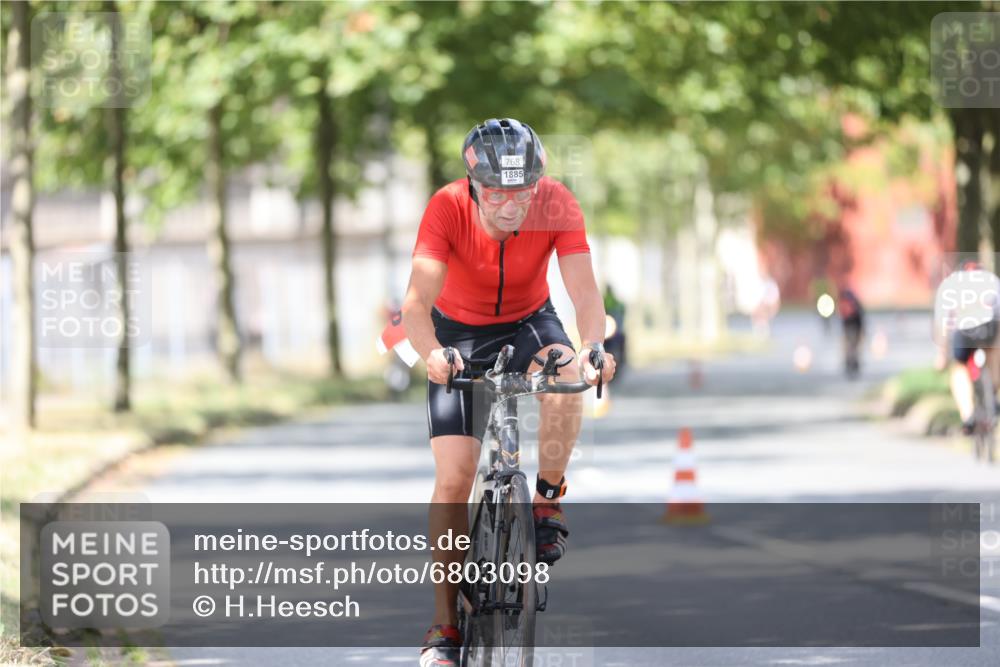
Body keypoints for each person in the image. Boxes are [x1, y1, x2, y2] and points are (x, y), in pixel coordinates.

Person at [402, 118, 616, 667]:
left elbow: (585, 292)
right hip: (455, 334)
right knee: (454, 476)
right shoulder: (446, 207)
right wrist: (431, 354)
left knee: (567, 374)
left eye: (521, 192)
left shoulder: (558, 204)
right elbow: (415, 305)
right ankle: (444, 627)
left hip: (529, 321)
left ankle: (546, 502)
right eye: (496, 193)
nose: (510, 206)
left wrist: (593, 346)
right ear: (474, 186)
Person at [938, 262, 1000, 434]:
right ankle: (992, 395)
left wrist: (942, 356)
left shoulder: (950, 284)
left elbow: (944, 323)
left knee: (959, 368)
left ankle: (968, 415)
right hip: (989, 328)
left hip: (963, 330)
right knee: (994, 354)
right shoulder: (992, 280)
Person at [837, 287, 865, 378]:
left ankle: (854, 364)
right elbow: (843, 319)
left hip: (855, 327)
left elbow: (860, 321)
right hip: (848, 328)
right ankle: (849, 363)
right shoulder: (844, 306)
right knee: (848, 347)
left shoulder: (856, 307)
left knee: (854, 347)